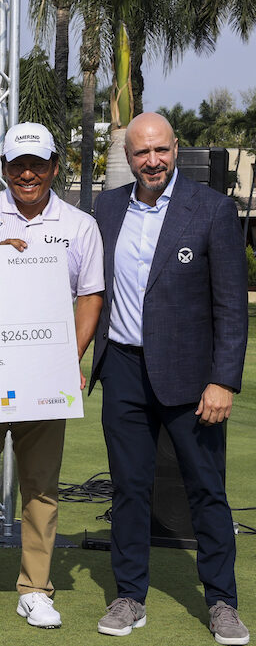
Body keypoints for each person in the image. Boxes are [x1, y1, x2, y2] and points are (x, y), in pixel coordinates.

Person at [88, 112, 249, 644]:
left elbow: (231, 305)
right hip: (123, 370)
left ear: (176, 149)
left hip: (192, 377)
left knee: (206, 490)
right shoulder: (107, 208)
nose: (152, 161)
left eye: (160, 150)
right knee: (129, 489)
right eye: (141, 152)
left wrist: (223, 380)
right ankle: (129, 596)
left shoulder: (213, 209)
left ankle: (222, 602)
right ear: (128, 157)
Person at [0, 122, 104, 630]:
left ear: (55, 167)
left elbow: (90, 297)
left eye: (38, 164)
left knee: (41, 487)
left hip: (44, 378)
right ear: (4, 168)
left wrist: (67, 360)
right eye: (18, 164)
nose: (28, 174)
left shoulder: (80, 225)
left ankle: (35, 589)